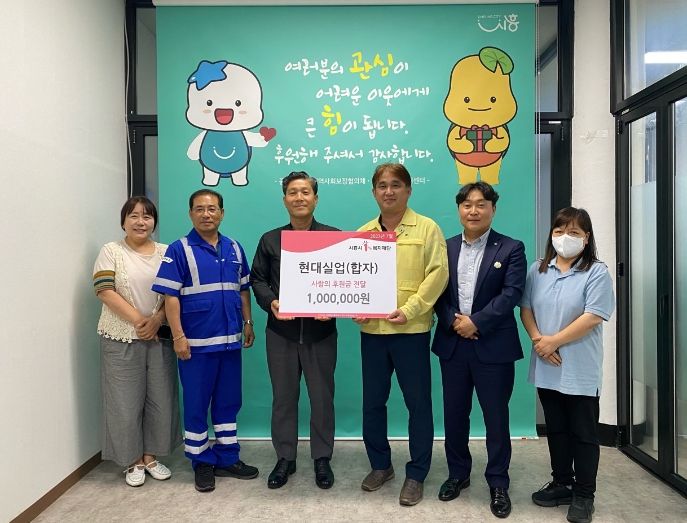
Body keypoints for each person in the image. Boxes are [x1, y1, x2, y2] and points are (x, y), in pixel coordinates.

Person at [152, 189, 258, 493]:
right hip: (195, 346)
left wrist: (248, 323)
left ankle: (228, 457)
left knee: (228, 402)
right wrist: (178, 336)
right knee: (197, 404)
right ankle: (201, 462)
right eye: (199, 209)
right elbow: (170, 296)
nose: (206, 214)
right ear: (191, 214)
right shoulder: (179, 249)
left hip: (229, 343)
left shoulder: (235, 247)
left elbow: (243, 290)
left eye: (212, 209)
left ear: (222, 213)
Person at [356, 163, 449, 506]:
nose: (389, 191)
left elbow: (438, 275)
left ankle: (417, 473)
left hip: (411, 331)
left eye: (396, 185)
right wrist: (356, 306)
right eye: (382, 185)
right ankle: (380, 466)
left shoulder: (427, 228)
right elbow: (355, 280)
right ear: (373, 192)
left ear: (408, 190)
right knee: (372, 404)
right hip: (372, 332)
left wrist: (410, 309)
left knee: (418, 404)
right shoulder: (363, 233)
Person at [431, 182, 526, 519]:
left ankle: (498, 482)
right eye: (467, 205)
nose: (473, 210)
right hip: (453, 344)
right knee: (455, 415)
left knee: (496, 418)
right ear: (459, 209)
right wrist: (454, 321)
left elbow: (512, 293)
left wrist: (476, 322)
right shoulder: (445, 247)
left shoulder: (511, 248)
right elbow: (435, 292)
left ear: (492, 209)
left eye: (481, 204)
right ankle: (458, 474)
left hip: (493, 347)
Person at [520, 207, 614, 523]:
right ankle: (562, 483)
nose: (565, 237)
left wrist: (553, 342)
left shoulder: (596, 272)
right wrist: (539, 341)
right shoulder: (538, 269)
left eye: (574, 232)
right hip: (546, 363)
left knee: (583, 433)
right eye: (559, 231)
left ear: (586, 238)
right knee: (557, 429)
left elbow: (593, 316)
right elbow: (526, 309)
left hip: (580, 367)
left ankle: (584, 495)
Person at [251, 171, 338, 490]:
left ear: (316, 198)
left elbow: (343, 281)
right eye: (292, 192)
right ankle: (285, 457)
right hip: (281, 334)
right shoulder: (270, 239)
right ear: (284, 199)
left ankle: (322, 458)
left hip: (321, 334)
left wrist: (335, 306)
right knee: (283, 398)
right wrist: (271, 302)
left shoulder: (334, 237)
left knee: (322, 399)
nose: (299, 197)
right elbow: (257, 279)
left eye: (305, 192)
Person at [93, 196, 181, 487]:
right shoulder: (111, 251)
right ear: (123, 222)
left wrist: (157, 319)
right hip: (120, 337)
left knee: (161, 399)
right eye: (134, 216)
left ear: (154, 222)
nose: (140, 222)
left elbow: (174, 293)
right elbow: (104, 290)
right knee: (124, 402)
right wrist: (140, 321)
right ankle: (132, 461)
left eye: (147, 216)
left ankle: (150, 457)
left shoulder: (167, 252)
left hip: (159, 336)